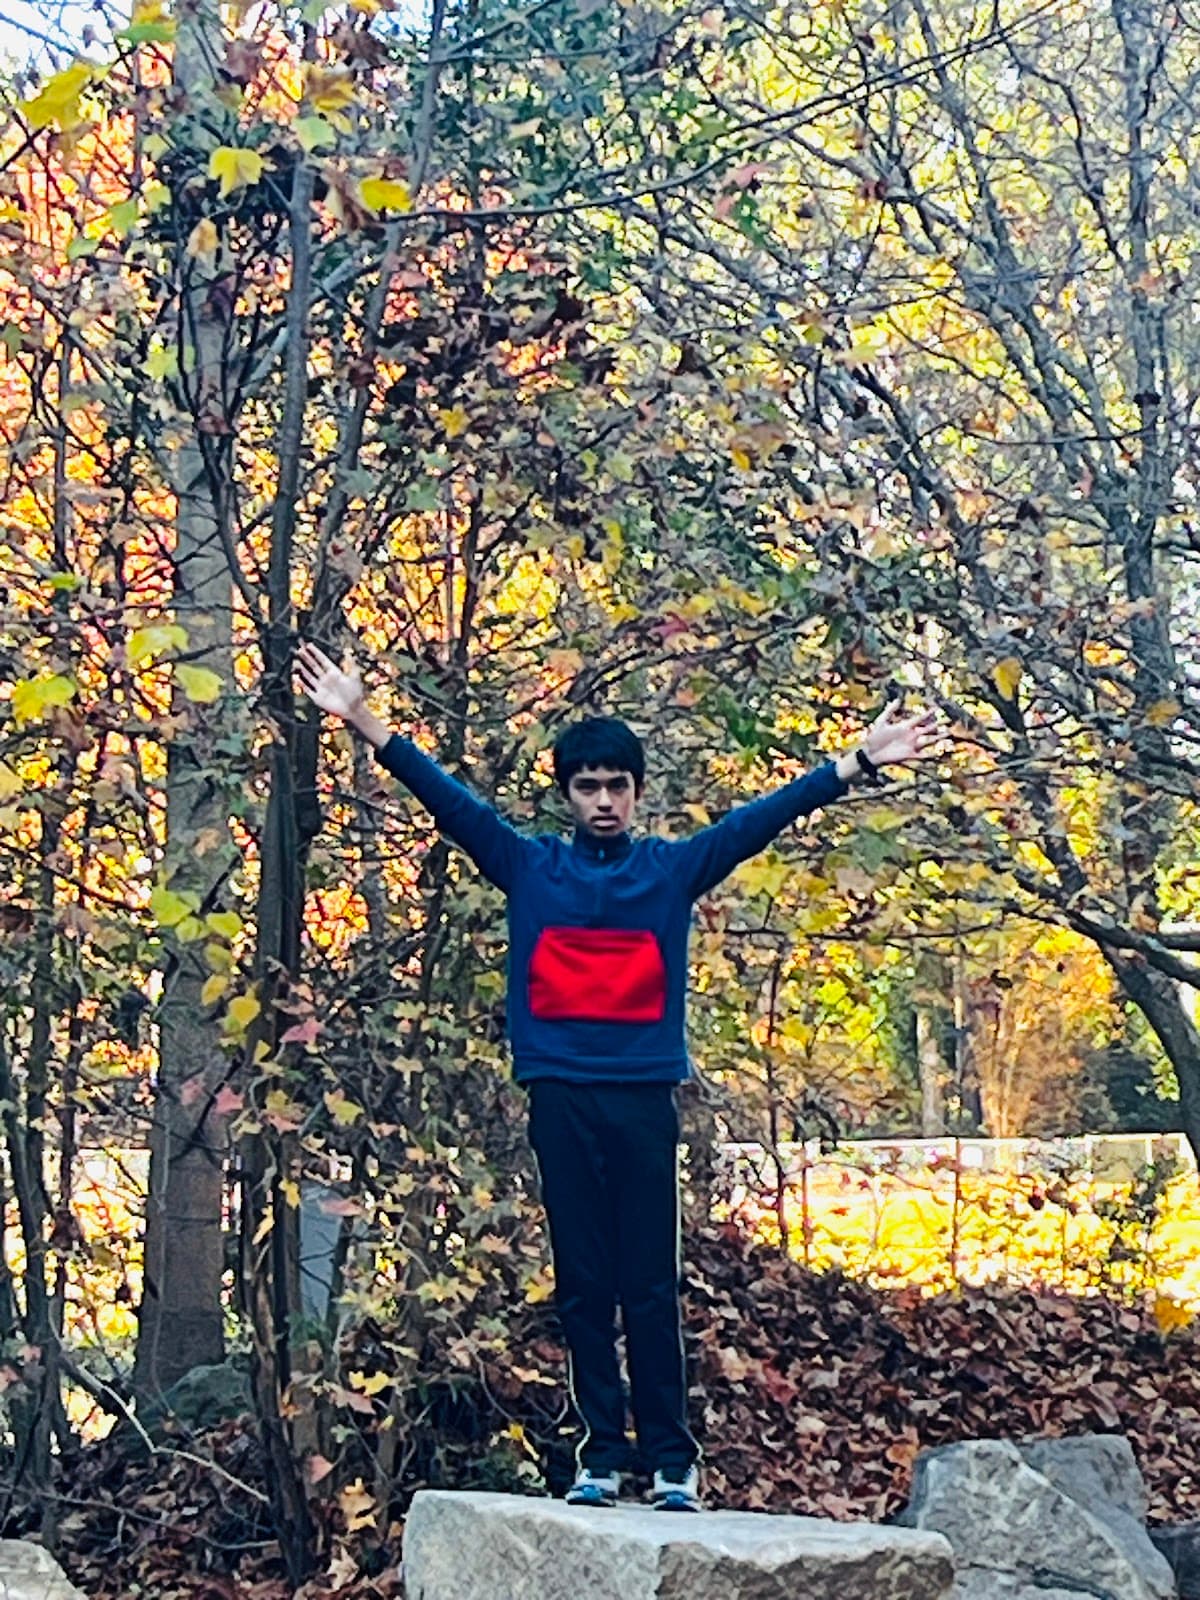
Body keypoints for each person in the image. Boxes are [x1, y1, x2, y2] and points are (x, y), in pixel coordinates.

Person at [296, 642, 938, 1511]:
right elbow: (447, 802)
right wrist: (362, 717)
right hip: (560, 1094)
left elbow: (761, 819)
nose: (604, 801)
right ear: (568, 795)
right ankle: (602, 1451)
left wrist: (856, 760)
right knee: (583, 1282)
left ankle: (672, 1458)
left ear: (637, 793)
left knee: (649, 1282)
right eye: (588, 786)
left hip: (642, 1098)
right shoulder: (531, 867)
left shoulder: (666, 870)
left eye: (617, 786)